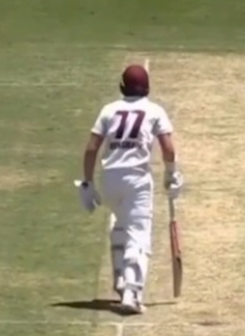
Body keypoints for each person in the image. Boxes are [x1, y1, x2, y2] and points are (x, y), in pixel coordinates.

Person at [75, 64, 184, 315]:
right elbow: (168, 148)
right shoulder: (154, 110)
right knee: (138, 234)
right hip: (137, 180)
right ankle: (131, 293)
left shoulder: (109, 110)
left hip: (109, 179)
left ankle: (120, 279)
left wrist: (88, 183)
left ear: (122, 86)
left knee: (120, 225)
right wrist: (171, 173)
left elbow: (92, 148)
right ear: (147, 87)